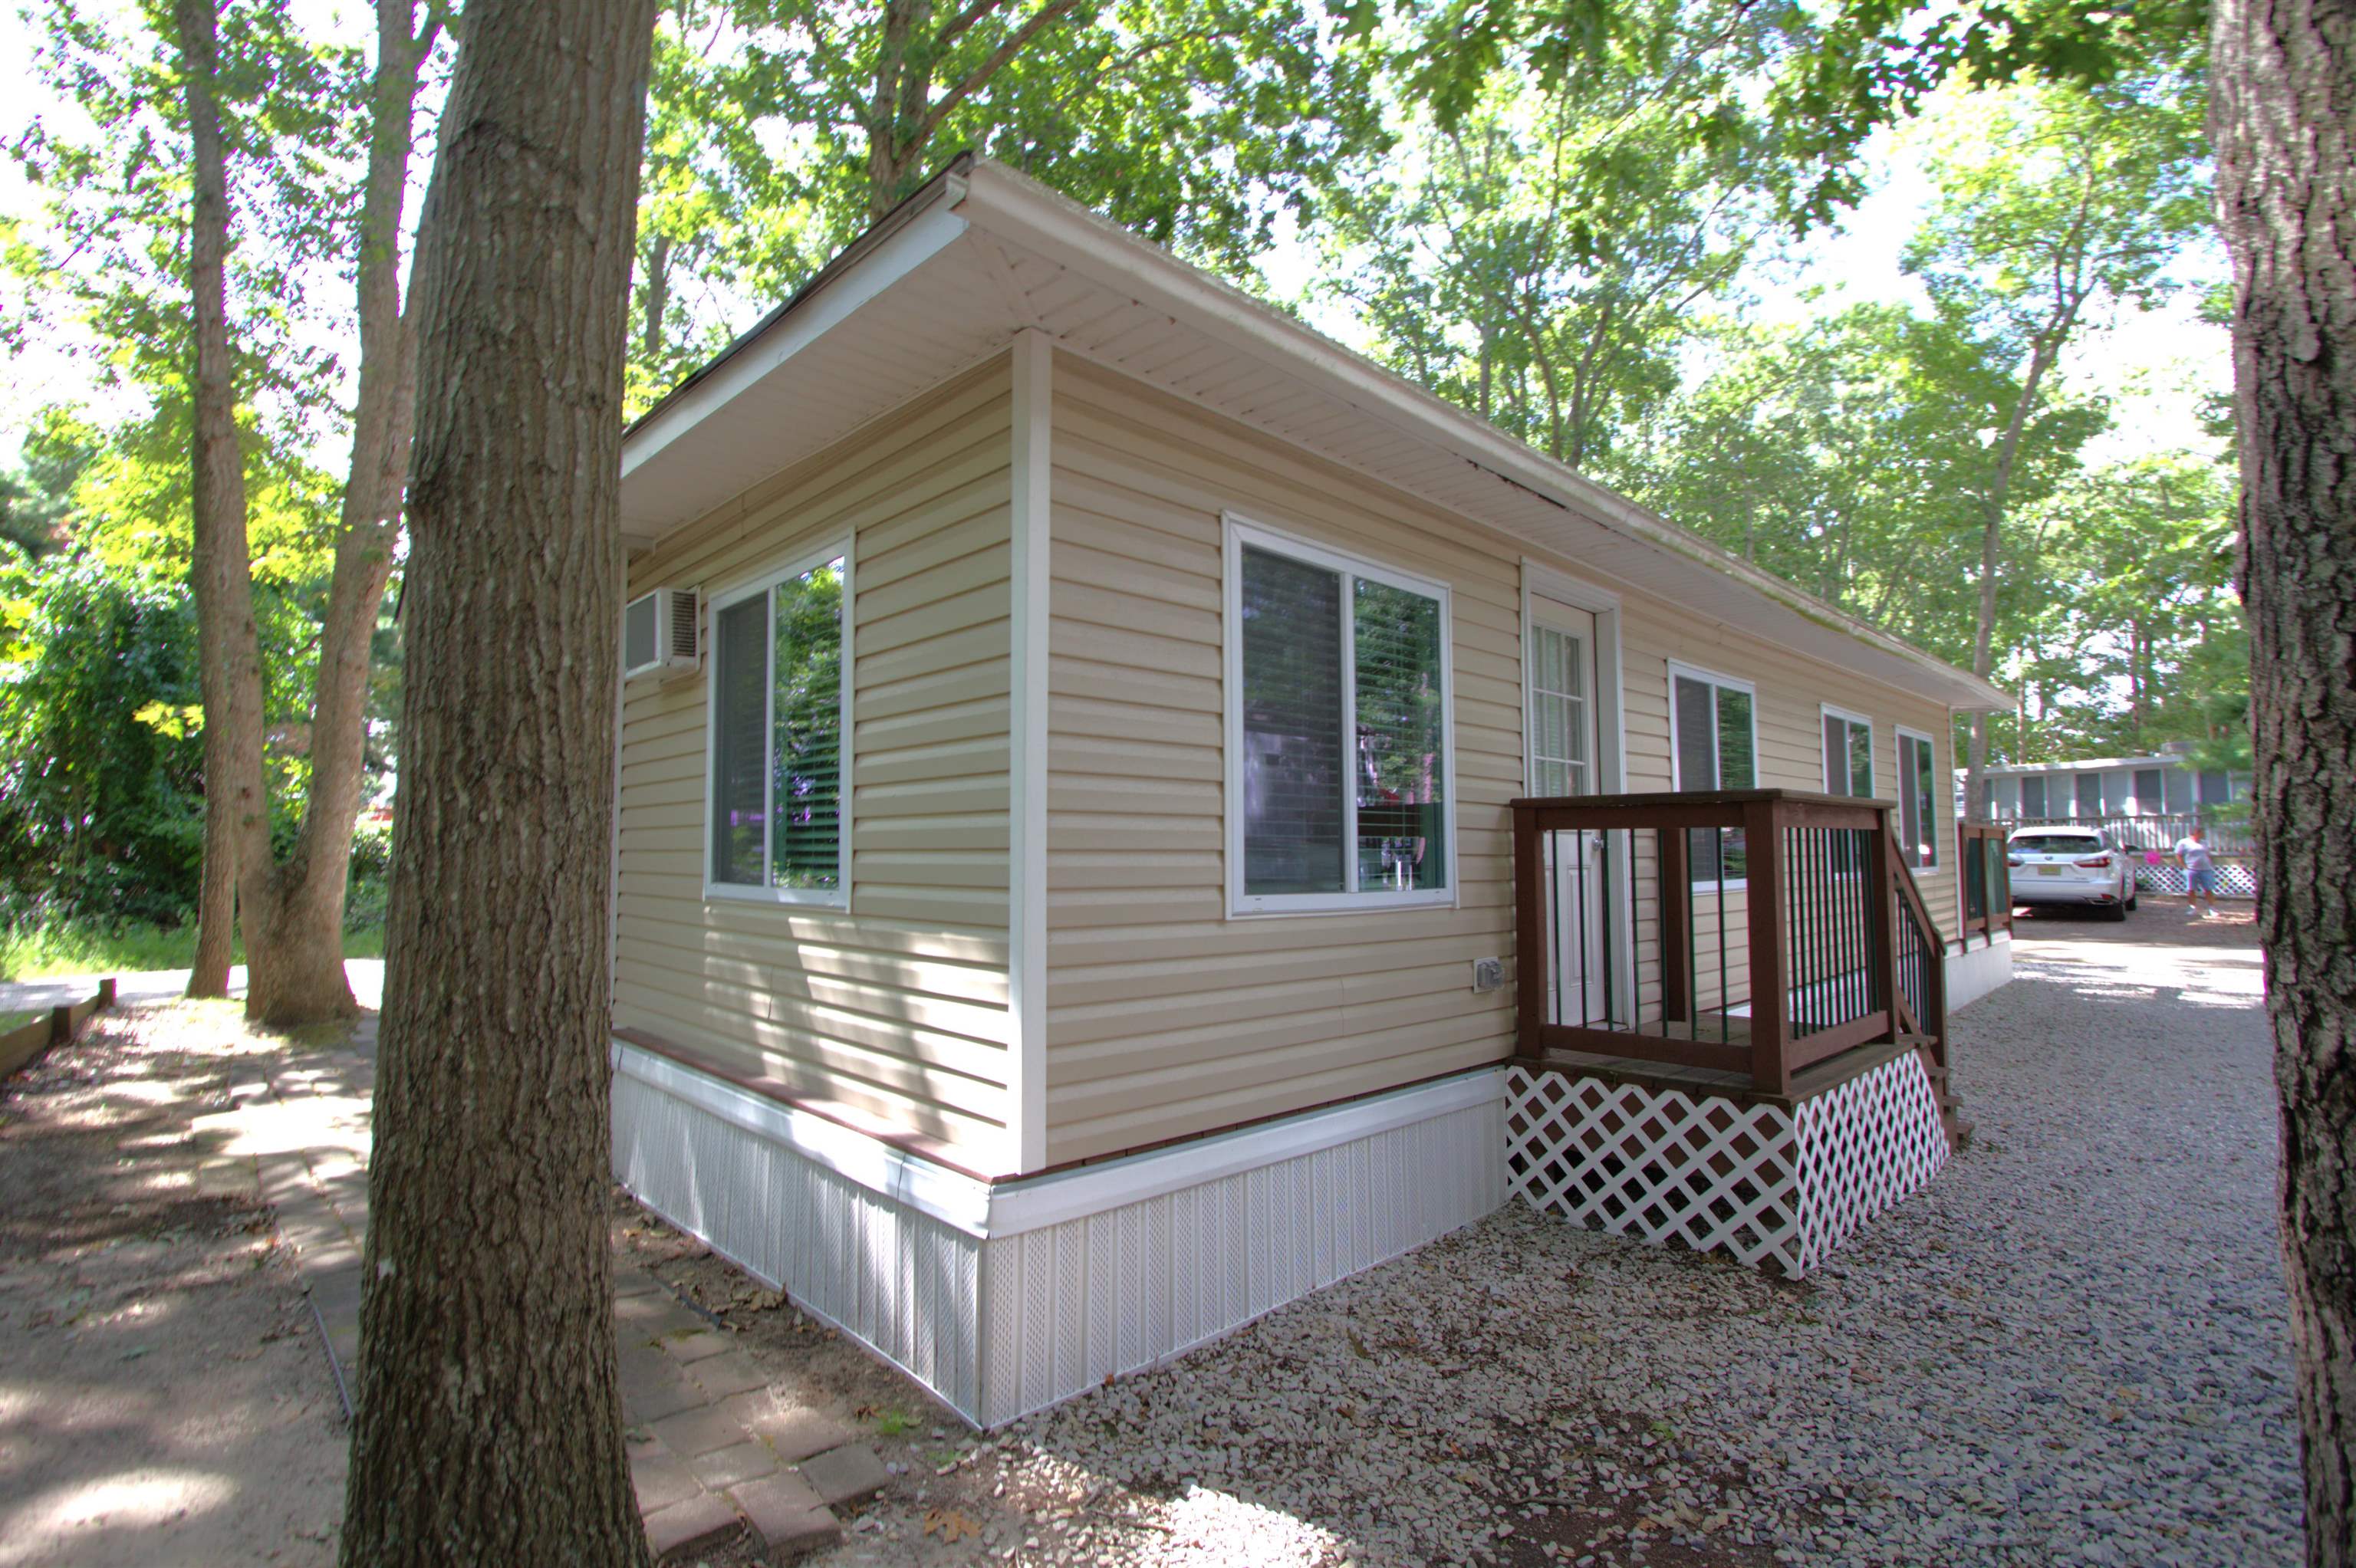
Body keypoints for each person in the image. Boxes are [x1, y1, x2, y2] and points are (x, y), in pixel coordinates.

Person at [2173, 823, 2223, 921]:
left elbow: (2207, 854)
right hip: (2192, 869)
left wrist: (2210, 863)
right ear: (2196, 833)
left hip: (2206, 869)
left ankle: (2212, 908)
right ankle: (2192, 907)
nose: (2203, 834)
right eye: (2201, 832)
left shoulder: (2204, 843)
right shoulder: (2183, 842)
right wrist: (2185, 866)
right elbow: (2178, 855)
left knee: (2208, 889)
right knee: (2191, 889)